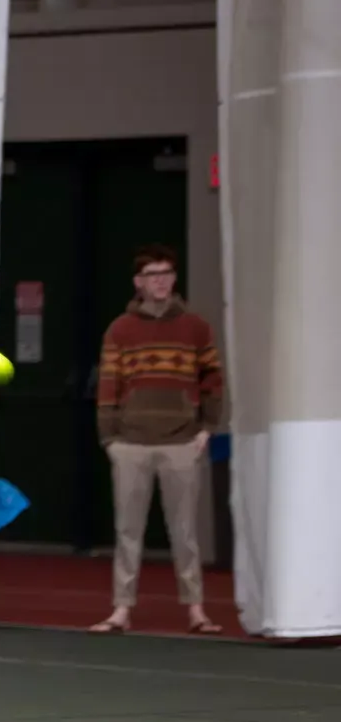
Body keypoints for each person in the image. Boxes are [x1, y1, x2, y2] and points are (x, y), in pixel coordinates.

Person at [90, 244, 225, 636]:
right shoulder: (120, 329)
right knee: (127, 530)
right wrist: (109, 439)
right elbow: (109, 385)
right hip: (130, 443)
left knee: (185, 531)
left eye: (166, 273)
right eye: (153, 275)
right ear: (138, 283)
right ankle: (121, 610)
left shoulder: (196, 327)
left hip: (182, 441)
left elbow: (213, 378)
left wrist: (207, 428)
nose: (161, 281)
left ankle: (196, 610)